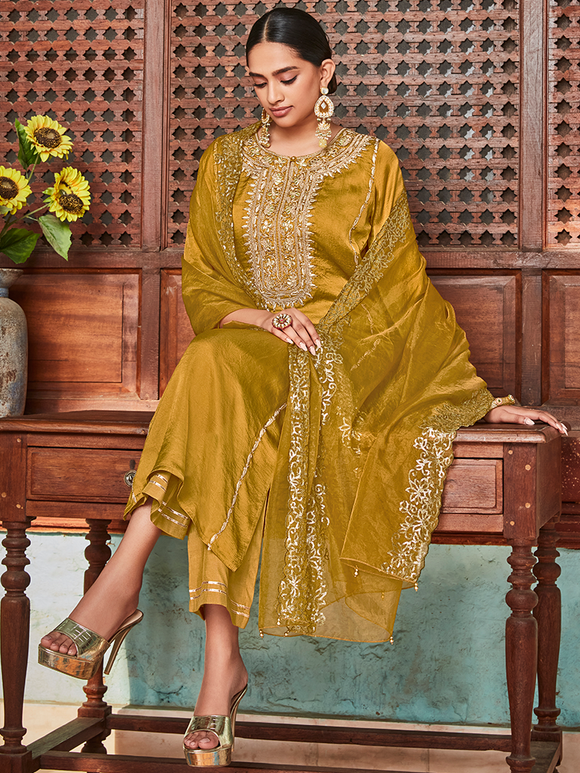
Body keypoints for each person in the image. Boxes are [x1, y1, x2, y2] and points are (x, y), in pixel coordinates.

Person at [38, 6, 567, 768]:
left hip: (339, 356)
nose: (273, 95)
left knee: (210, 380)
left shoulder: (371, 164)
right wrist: (264, 317)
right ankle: (220, 661)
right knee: (217, 369)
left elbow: (400, 293)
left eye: (286, 77)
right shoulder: (225, 162)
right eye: (257, 82)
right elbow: (205, 282)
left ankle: (128, 582)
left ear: (327, 73)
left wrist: (483, 399)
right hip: (246, 345)